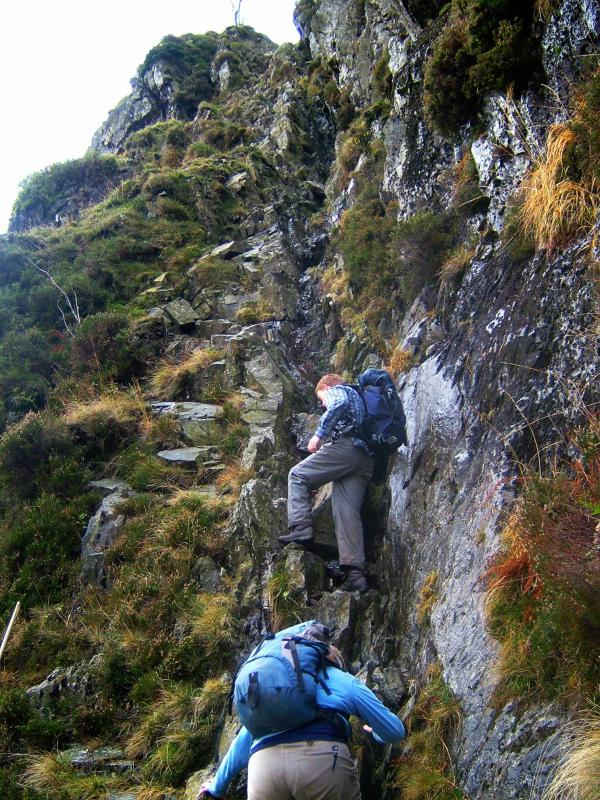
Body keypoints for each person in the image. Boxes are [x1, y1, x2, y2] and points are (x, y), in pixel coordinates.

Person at [196, 643, 405, 799]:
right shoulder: (340, 679)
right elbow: (395, 731)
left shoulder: (275, 694)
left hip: (263, 768)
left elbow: (242, 744)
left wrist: (216, 787)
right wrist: (376, 732)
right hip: (320, 760)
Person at [279, 373, 374, 592]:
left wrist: (319, 435)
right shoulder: (359, 398)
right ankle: (355, 574)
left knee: (297, 475)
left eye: (321, 401)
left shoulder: (338, 391)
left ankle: (300, 528)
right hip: (365, 459)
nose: (323, 405)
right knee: (345, 510)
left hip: (347, 448)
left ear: (327, 387)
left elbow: (337, 403)